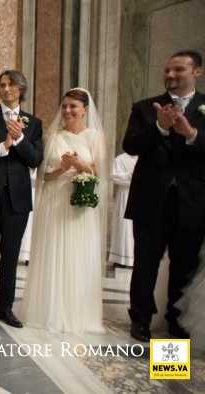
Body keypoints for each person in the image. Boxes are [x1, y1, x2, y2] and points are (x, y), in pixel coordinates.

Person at [123, 50, 205, 342]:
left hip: (192, 201)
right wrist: (160, 128)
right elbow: (130, 146)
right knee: (145, 262)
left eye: (178, 70)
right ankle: (141, 319)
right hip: (150, 200)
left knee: (184, 265)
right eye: (167, 70)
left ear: (197, 72)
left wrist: (191, 133)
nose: (170, 75)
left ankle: (176, 321)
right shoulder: (145, 107)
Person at [20, 88, 106, 334]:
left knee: (78, 251)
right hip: (55, 197)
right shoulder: (52, 136)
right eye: (64, 106)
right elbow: (42, 174)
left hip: (80, 200)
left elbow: (99, 172)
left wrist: (77, 164)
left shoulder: (95, 137)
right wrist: (62, 168)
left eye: (73, 107)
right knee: (55, 249)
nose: (67, 111)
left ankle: (77, 312)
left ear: (85, 110)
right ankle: (49, 308)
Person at [0, 70, 44, 329]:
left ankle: (5, 307)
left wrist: (20, 139)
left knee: (11, 254)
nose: (6, 89)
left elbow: (35, 159)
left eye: (11, 84)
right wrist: (3, 146)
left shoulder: (33, 123)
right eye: (2, 84)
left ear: (21, 89)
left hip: (18, 197)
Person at [108, 152, 138, 267]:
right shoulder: (121, 159)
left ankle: (136, 258)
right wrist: (133, 175)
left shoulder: (147, 157)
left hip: (142, 195)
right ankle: (120, 258)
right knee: (123, 225)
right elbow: (115, 176)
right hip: (126, 194)